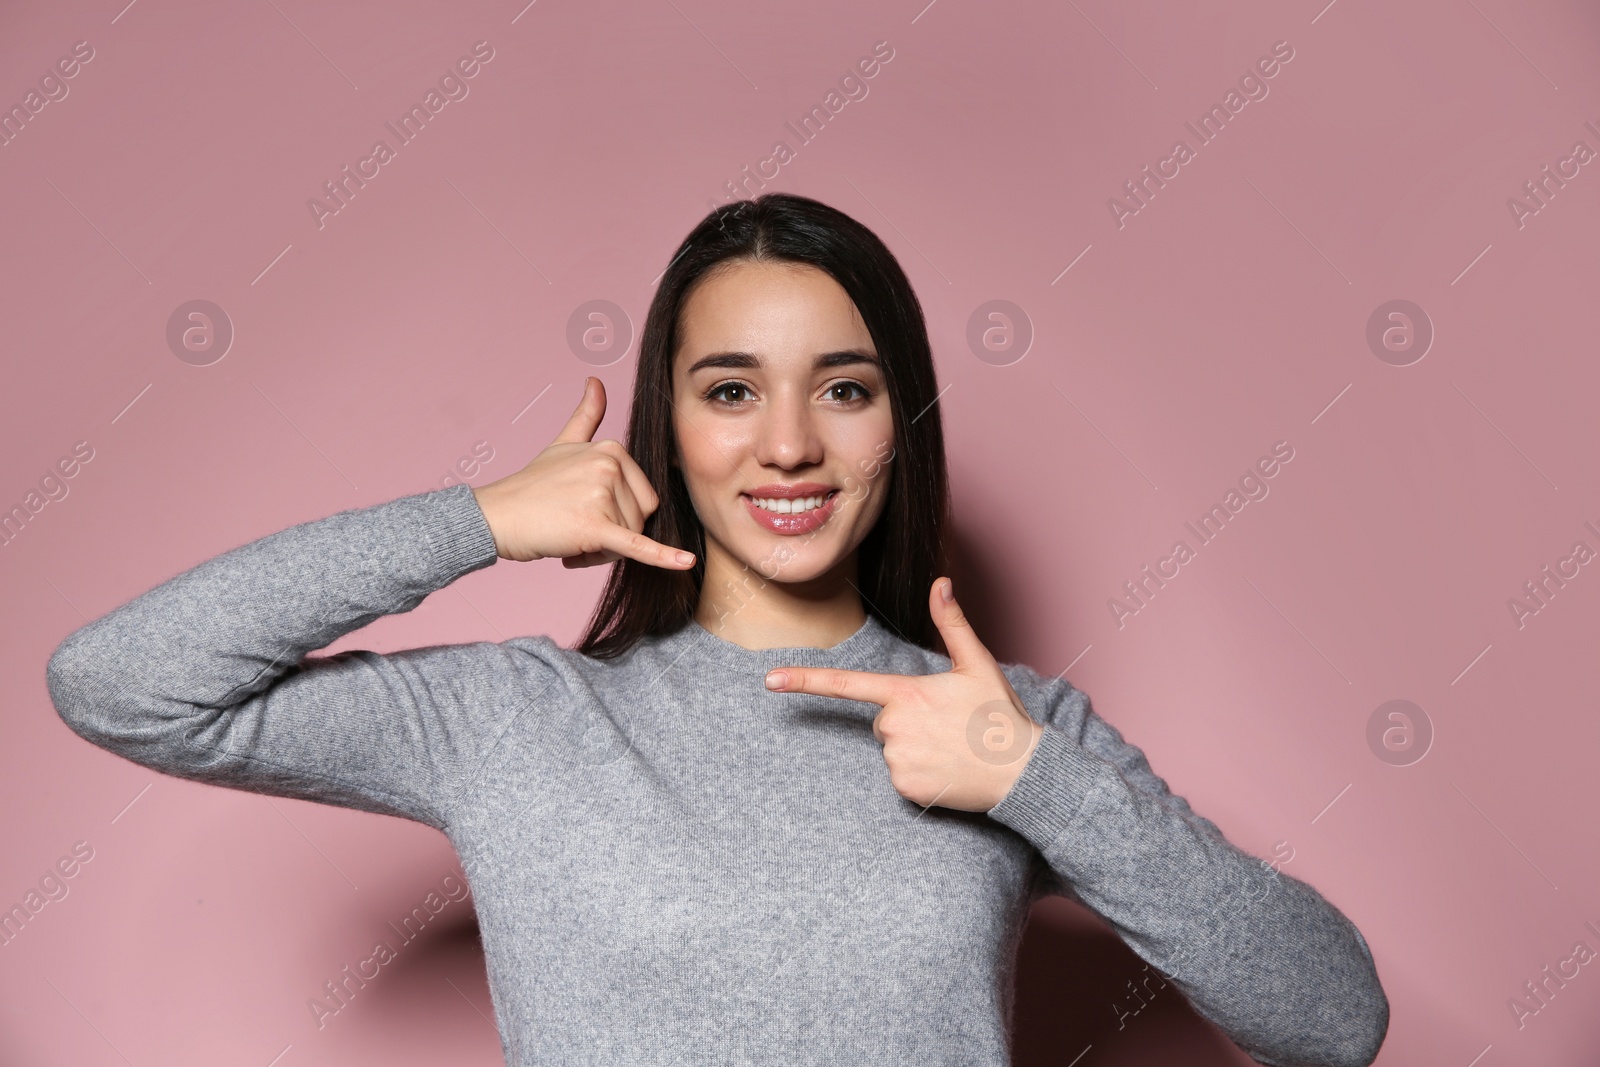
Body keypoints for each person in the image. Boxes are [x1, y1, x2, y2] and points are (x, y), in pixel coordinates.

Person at [46, 192, 1388, 1066]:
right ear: (669, 428)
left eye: (844, 389)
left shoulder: (1000, 721)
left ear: (899, 419)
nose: (790, 442)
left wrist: (1042, 780)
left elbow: (1333, 1021)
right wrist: (476, 521)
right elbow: (119, 683)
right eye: (731, 388)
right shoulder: (517, 721)